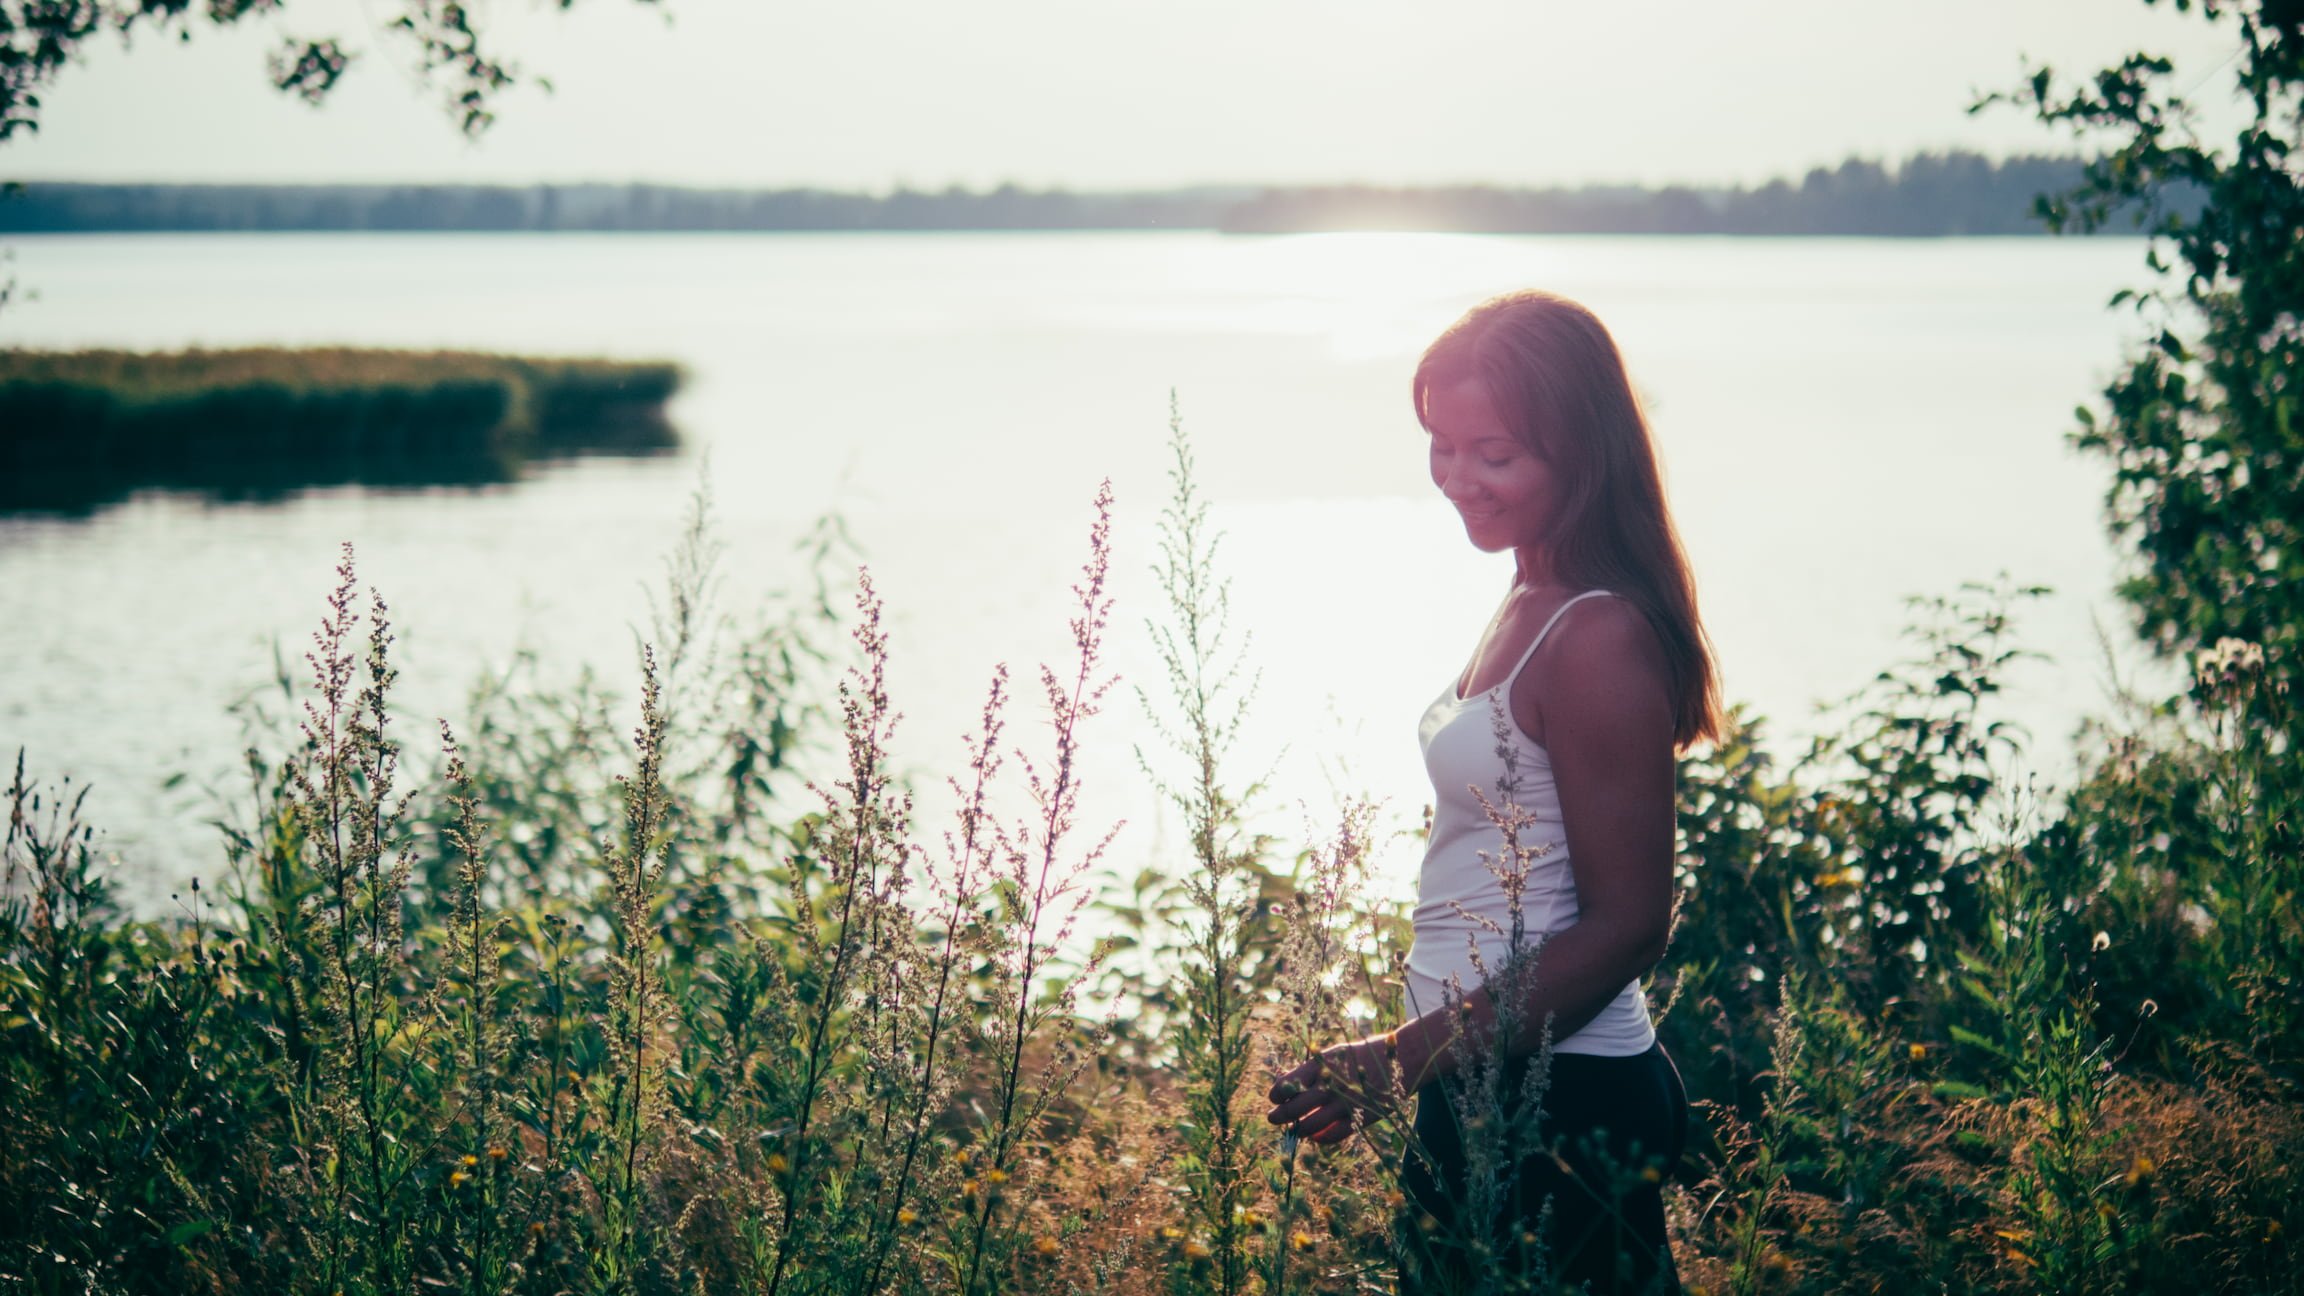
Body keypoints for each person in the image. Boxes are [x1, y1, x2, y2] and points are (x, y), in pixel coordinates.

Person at [1264, 290, 1719, 1295]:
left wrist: (1396, 1057)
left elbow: (1631, 923)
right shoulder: (1529, 591)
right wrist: (1416, 1065)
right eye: (1443, 447)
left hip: (1563, 1096)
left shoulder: (1595, 635)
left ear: (1580, 451)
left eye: (1495, 454)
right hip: (1479, 1079)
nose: (1459, 481)